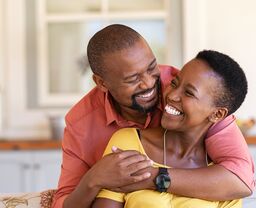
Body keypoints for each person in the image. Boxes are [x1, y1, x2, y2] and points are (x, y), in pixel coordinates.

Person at [52, 24, 254, 208]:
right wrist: (94, 178)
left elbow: (241, 178)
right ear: (102, 84)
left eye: (151, 68)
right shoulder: (82, 124)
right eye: (133, 79)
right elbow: (64, 202)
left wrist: (151, 177)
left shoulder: (182, 87)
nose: (149, 83)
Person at [92, 50, 247, 208]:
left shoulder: (225, 182)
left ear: (217, 114)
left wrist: (151, 178)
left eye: (189, 93)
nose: (172, 95)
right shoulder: (130, 143)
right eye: (174, 83)